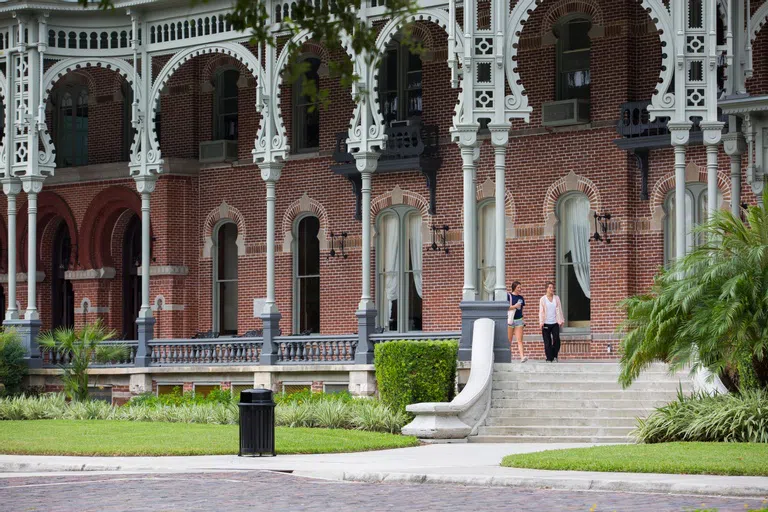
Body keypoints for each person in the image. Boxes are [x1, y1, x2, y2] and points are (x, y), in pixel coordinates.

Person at [538, 281, 564, 362]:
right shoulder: (543, 299)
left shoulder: (556, 298)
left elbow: (559, 310)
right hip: (546, 323)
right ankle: (549, 358)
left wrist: (561, 320)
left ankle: (554, 355)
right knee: (547, 342)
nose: (552, 289)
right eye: (550, 287)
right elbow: (541, 311)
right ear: (546, 289)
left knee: (556, 340)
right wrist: (541, 322)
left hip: (555, 323)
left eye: (552, 287)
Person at [507, 281, 527, 363]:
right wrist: (515, 306)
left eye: (520, 287)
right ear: (514, 287)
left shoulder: (521, 298)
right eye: (518, 287)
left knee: (520, 340)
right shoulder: (509, 296)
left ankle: (522, 357)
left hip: (519, 320)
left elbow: (522, 310)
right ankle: (508, 358)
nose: (520, 289)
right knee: (509, 340)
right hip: (510, 320)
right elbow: (506, 308)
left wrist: (523, 318)